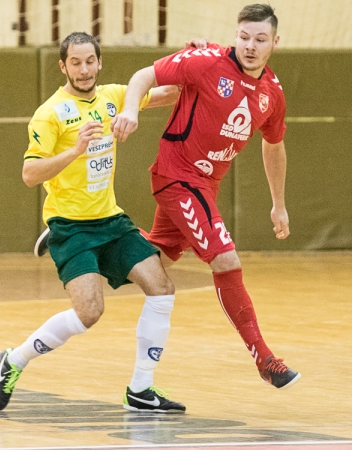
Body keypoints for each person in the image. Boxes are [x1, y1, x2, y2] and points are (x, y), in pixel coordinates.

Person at [0, 31, 195, 413]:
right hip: (71, 226)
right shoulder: (49, 114)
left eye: (90, 62)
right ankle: (13, 361)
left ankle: (140, 388)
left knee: (162, 287)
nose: (84, 70)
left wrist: (196, 58)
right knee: (89, 312)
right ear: (62, 66)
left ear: (99, 62)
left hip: (111, 221)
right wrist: (75, 149)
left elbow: (170, 93)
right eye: (76, 63)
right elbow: (30, 174)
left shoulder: (114, 97)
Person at [109, 3, 301, 389]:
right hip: (177, 177)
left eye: (260, 39)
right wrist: (130, 109)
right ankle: (264, 358)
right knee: (225, 258)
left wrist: (278, 204)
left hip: (204, 186)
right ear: (236, 35)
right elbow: (143, 75)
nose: (250, 45)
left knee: (153, 262)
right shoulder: (206, 60)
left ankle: (89, 236)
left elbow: (274, 146)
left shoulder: (272, 93)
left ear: (275, 42)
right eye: (244, 36)